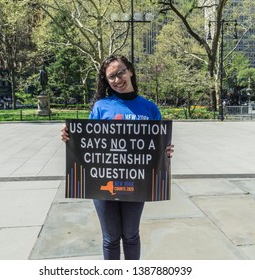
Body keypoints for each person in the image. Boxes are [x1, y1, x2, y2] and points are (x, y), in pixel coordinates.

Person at [61, 54, 174, 260]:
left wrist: (165, 152)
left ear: (130, 71)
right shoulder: (101, 107)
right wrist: (71, 136)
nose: (117, 80)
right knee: (111, 238)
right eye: (111, 77)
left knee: (131, 235)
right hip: (102, 181)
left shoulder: (149, 108)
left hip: (136, 181)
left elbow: (157, 145)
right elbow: (88, 143)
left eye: (120, 72)